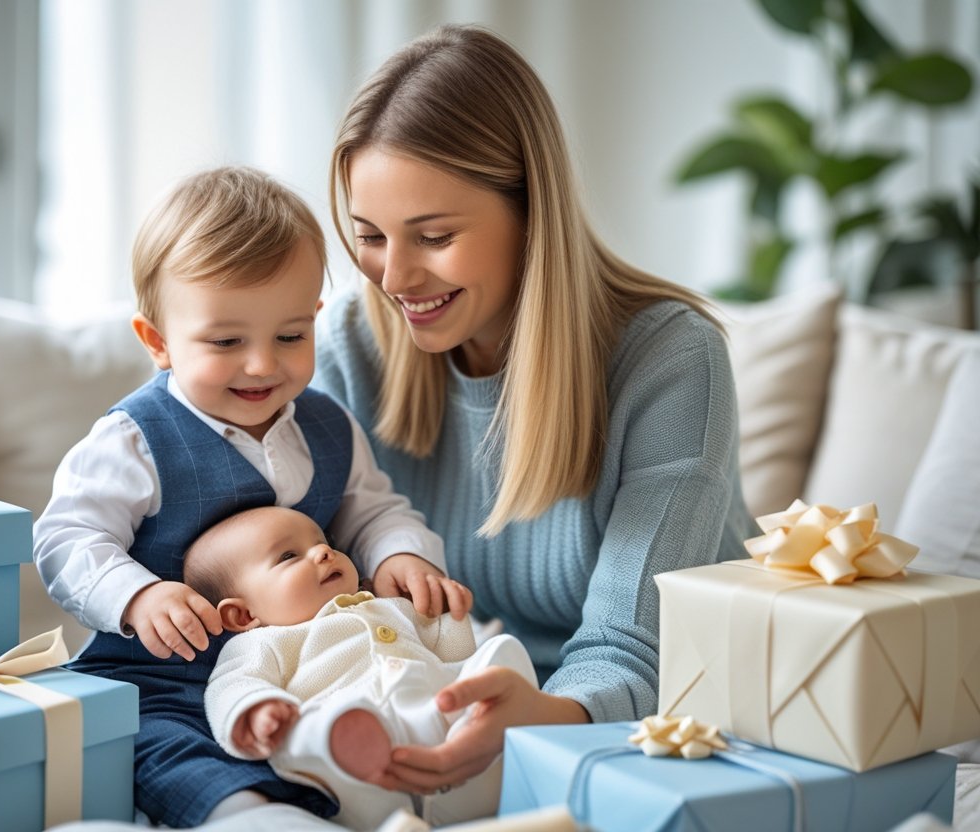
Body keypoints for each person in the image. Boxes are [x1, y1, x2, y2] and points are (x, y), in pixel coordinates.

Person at [313, 24, 758, 797]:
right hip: (450, 718)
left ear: (532, 212)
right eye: (370, 237)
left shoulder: (673, 361)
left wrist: (538, 718)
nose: (396, 276)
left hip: (642, 733)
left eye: (435, 236)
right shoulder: (352, 347)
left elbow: (632, 646)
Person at [33, 166, 457, 828]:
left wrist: (400, 554)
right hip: (160, 686)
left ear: (315, 318)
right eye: (227, 342)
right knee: (163, 750)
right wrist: (138, 594)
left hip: (298, 669)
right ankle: (244, 813)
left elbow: (372, 510)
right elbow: (66, 539)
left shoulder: (326, 426)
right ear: (159, 342)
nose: (263, 364)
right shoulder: (133, 442)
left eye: (290, 336)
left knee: (369, 720)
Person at [185, 505, 536, 831]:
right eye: (289, 556)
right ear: (244, 615)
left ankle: (488, 775)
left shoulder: (391, 608)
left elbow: (451, 654)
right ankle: (347, 748)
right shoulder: (263, 643)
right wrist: (257, 709)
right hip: (352, 764)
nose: (323, 552)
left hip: (444, 730)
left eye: (324, 542)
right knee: (301, 733)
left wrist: (449, 612)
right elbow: (229, 685)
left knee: (500, 652)